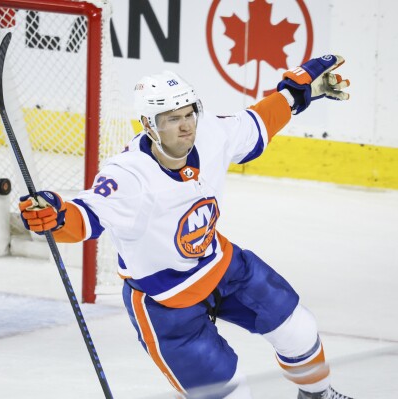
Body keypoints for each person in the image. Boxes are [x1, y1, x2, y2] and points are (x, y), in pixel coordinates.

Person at [18, 54, 353, 399]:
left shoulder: (209, 131)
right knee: (231, 394)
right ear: (149, 125)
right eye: (172, 118)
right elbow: (84, 218)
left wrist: (293, 95)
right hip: (165, 302)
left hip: (221, 266)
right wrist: (56, 217)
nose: (186, 125)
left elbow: (258, 122)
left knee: (299, 328)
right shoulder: (127, 176)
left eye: (189, 112)